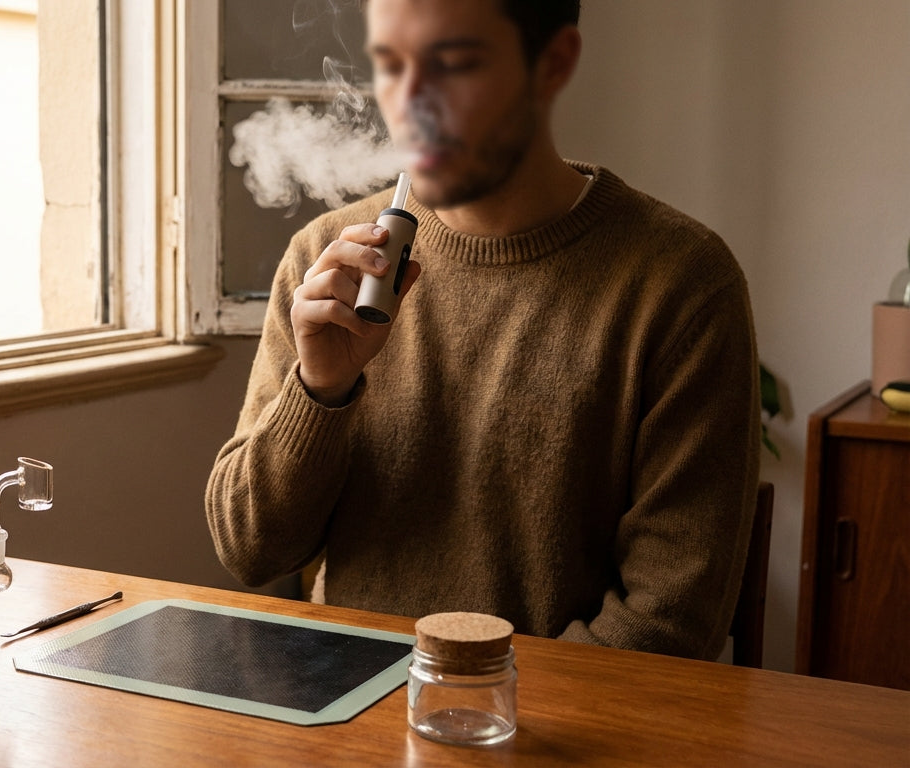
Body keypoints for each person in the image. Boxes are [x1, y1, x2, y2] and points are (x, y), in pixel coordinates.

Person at [205, 0, 760, 660]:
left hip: (551, 746)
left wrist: (463, 707)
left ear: (552, 64)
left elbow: (670, 621)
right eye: (390, 65)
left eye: (454, 63)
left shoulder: (681, 284)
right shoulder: (325, 259)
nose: (411, 107)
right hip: (346, 722)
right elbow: (250, 549)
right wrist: (320, 391)